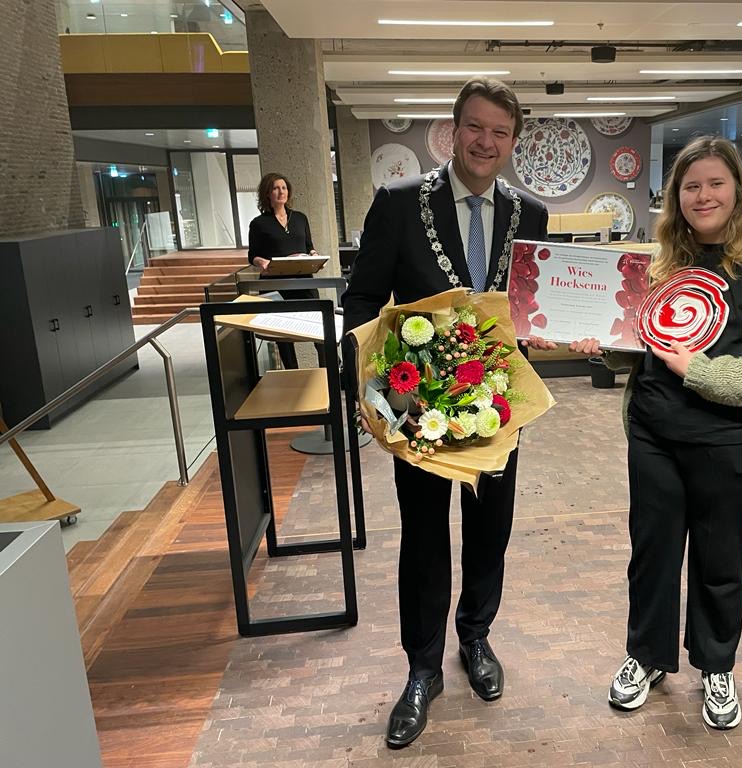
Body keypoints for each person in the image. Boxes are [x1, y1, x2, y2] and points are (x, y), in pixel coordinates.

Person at [571, 135, 742, 730]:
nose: (703, 196)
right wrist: (603, 345)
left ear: (737, 190)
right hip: (654, 433)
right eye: (691, 186)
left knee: (719, 560)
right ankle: (646, 656)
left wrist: (700, 371)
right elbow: (641, 345)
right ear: (675, 195)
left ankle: (716, 664)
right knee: (651, 554)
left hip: (730, 442)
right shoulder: (661, 264)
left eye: (715, 183)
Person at [341, 77, 552, 749]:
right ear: (453, 131)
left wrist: (552, 330)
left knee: (491, 530)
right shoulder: (400, 203)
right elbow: (362, 299)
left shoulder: (531, 214)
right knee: (425, 536)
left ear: (513, 142)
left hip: (499, 406)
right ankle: (422, 668)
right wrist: (370, 392)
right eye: (476, 127)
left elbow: (530, 308)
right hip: (419, 410)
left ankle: (476, 638)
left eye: (500, 132)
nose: (486, 142)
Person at [247, 173, 323, 369]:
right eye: (275, 188)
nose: (281, 192)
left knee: (319, 329)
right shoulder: (258, 224)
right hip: (275, 284)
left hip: (304, 282)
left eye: (284, 188)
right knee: (284, 337)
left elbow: (309, 246)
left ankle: (329, 371)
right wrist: (262, 262)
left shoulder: (300, 218)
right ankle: (292, 373)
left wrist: (315, 256)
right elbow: (253, 255)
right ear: (267, 194)